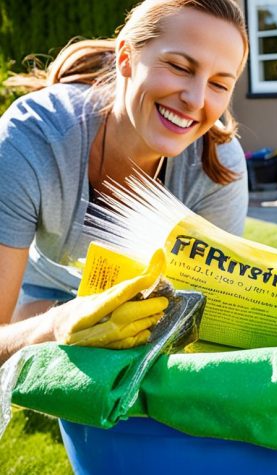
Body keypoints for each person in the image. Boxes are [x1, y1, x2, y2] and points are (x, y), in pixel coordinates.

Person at [0, 0, 250, 364]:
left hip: (141, 296)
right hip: (45, 289)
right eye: (180, 67)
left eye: (218, 84)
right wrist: (54, 326)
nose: (195, 100)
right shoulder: (32, 138)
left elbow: (205, 325)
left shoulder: (217, 168)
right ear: (126, 59)